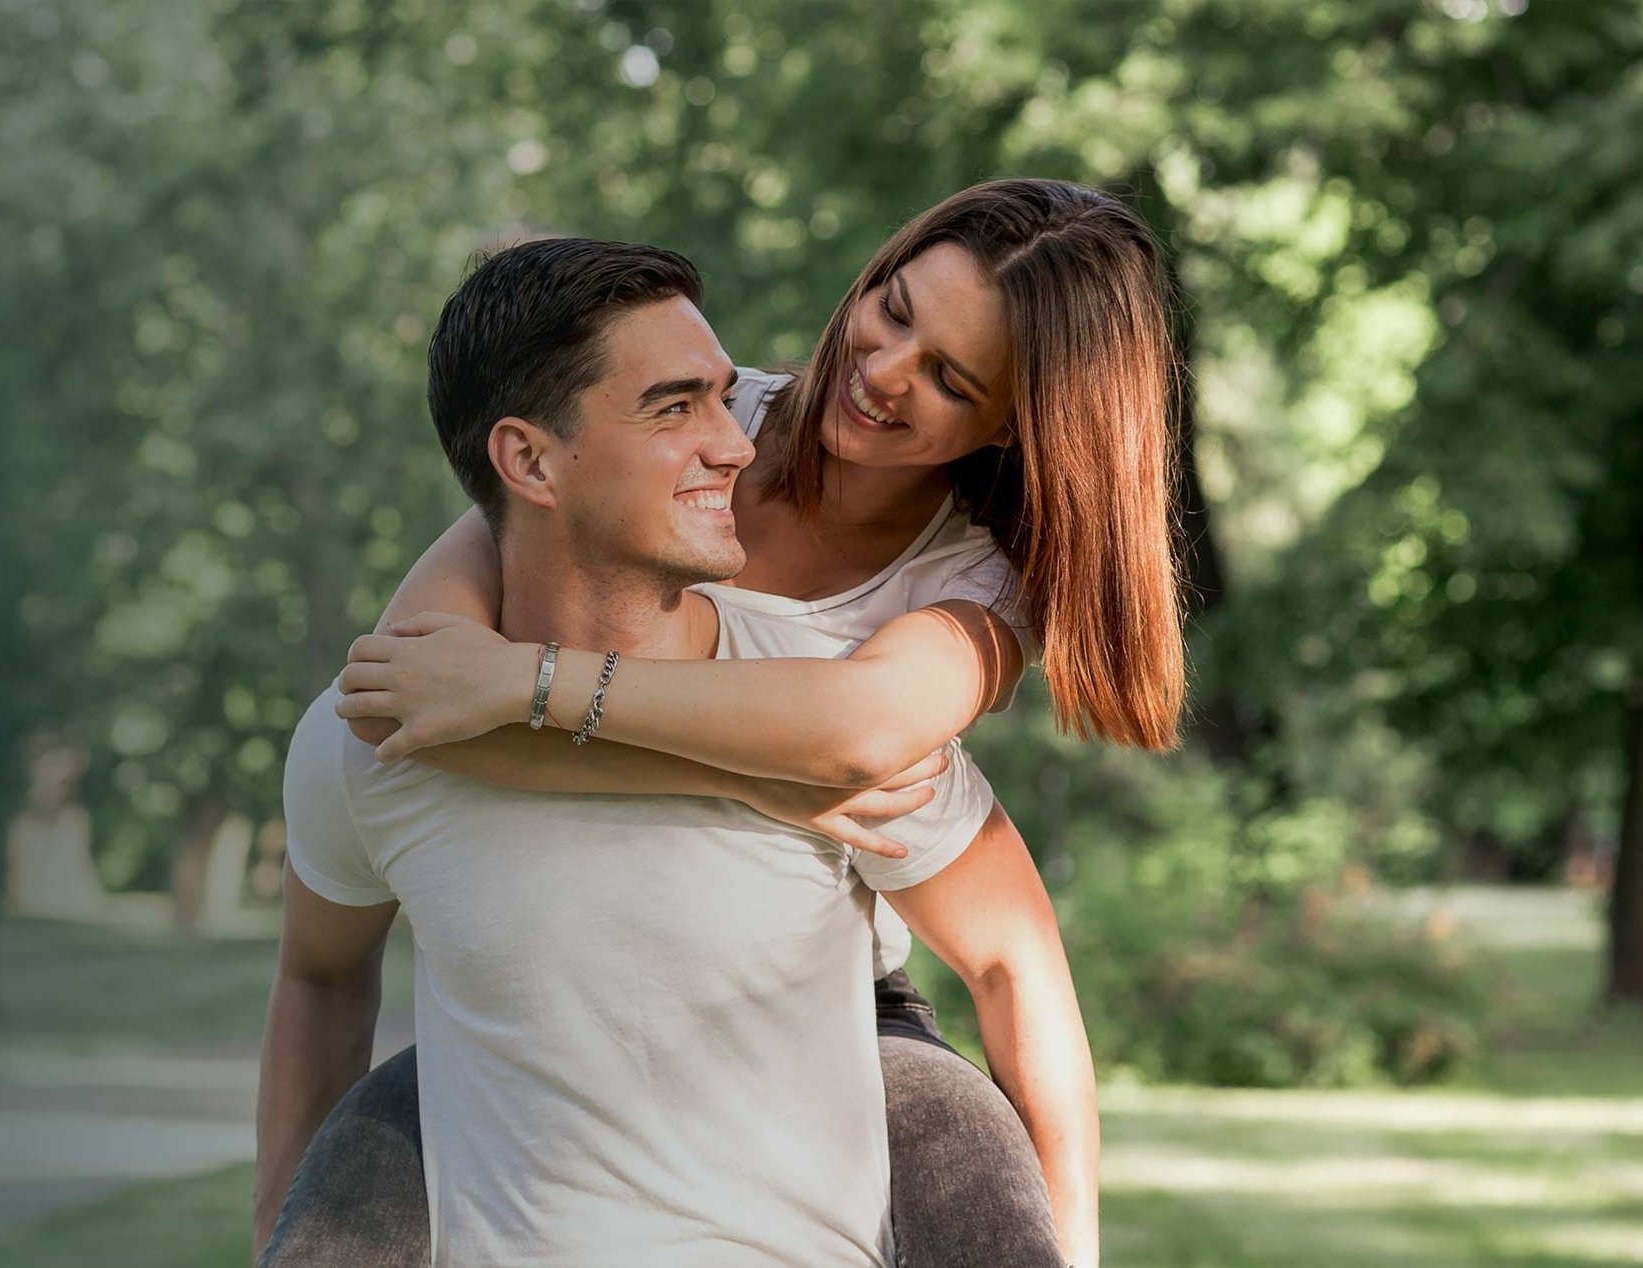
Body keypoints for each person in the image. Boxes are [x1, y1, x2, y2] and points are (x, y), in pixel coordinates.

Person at [322, 179, 1184, 1266]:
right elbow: (422, 695)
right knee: (341, 1207)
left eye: (949, 379)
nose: (880, 373)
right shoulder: (689, 421)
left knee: (972, 1186)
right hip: (548, 971)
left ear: (1013, 422)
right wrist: (771, 785)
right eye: (895, 308)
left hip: (826, 988)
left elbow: (865, 729)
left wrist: (530, 686)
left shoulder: (975, 578)